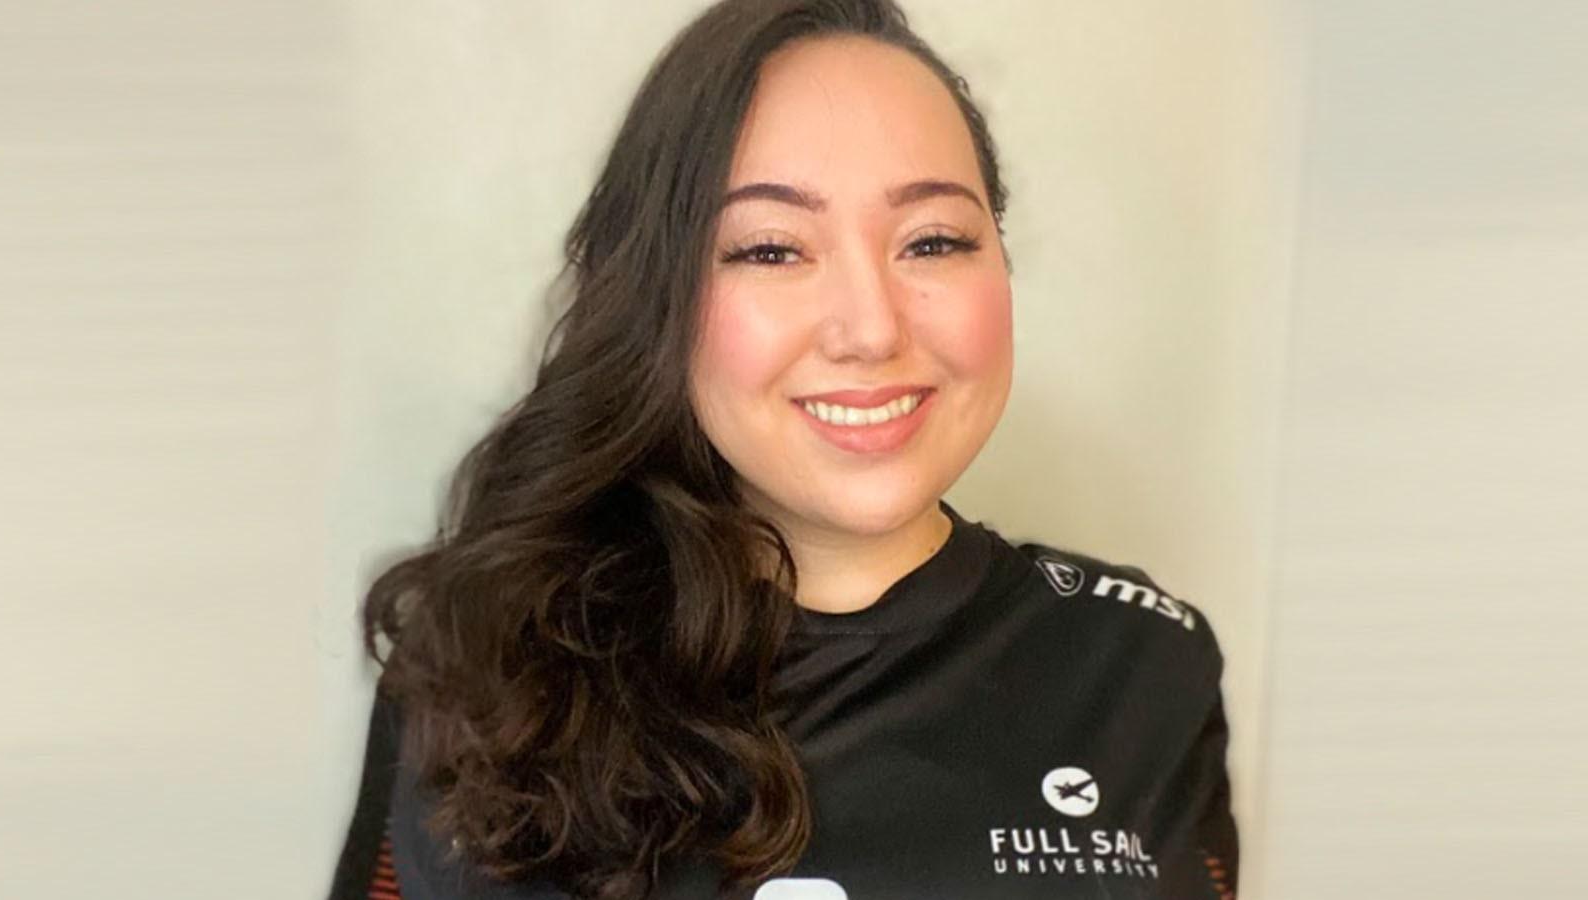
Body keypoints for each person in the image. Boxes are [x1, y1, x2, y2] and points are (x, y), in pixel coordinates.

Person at [329, 1, 1238, 898]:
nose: (870, 329)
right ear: (659, 296)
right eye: (770, 250)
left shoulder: (1143, 668)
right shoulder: (480, 660)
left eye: (933, 241)